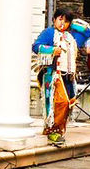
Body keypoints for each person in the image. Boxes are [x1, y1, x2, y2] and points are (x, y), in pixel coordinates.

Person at [32, 8, 78, 138]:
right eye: (60, 19)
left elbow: (86, 33)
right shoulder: (49, 33)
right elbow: (36, 46)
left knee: (68, 104)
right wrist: (52, 49)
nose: (63, 23)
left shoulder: (70, 37)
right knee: (58, 102)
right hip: (53, 75)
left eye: (67, 21)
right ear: (54, 19)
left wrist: (73, 25)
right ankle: (51, 130)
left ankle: (59, 130)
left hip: (68, 76)